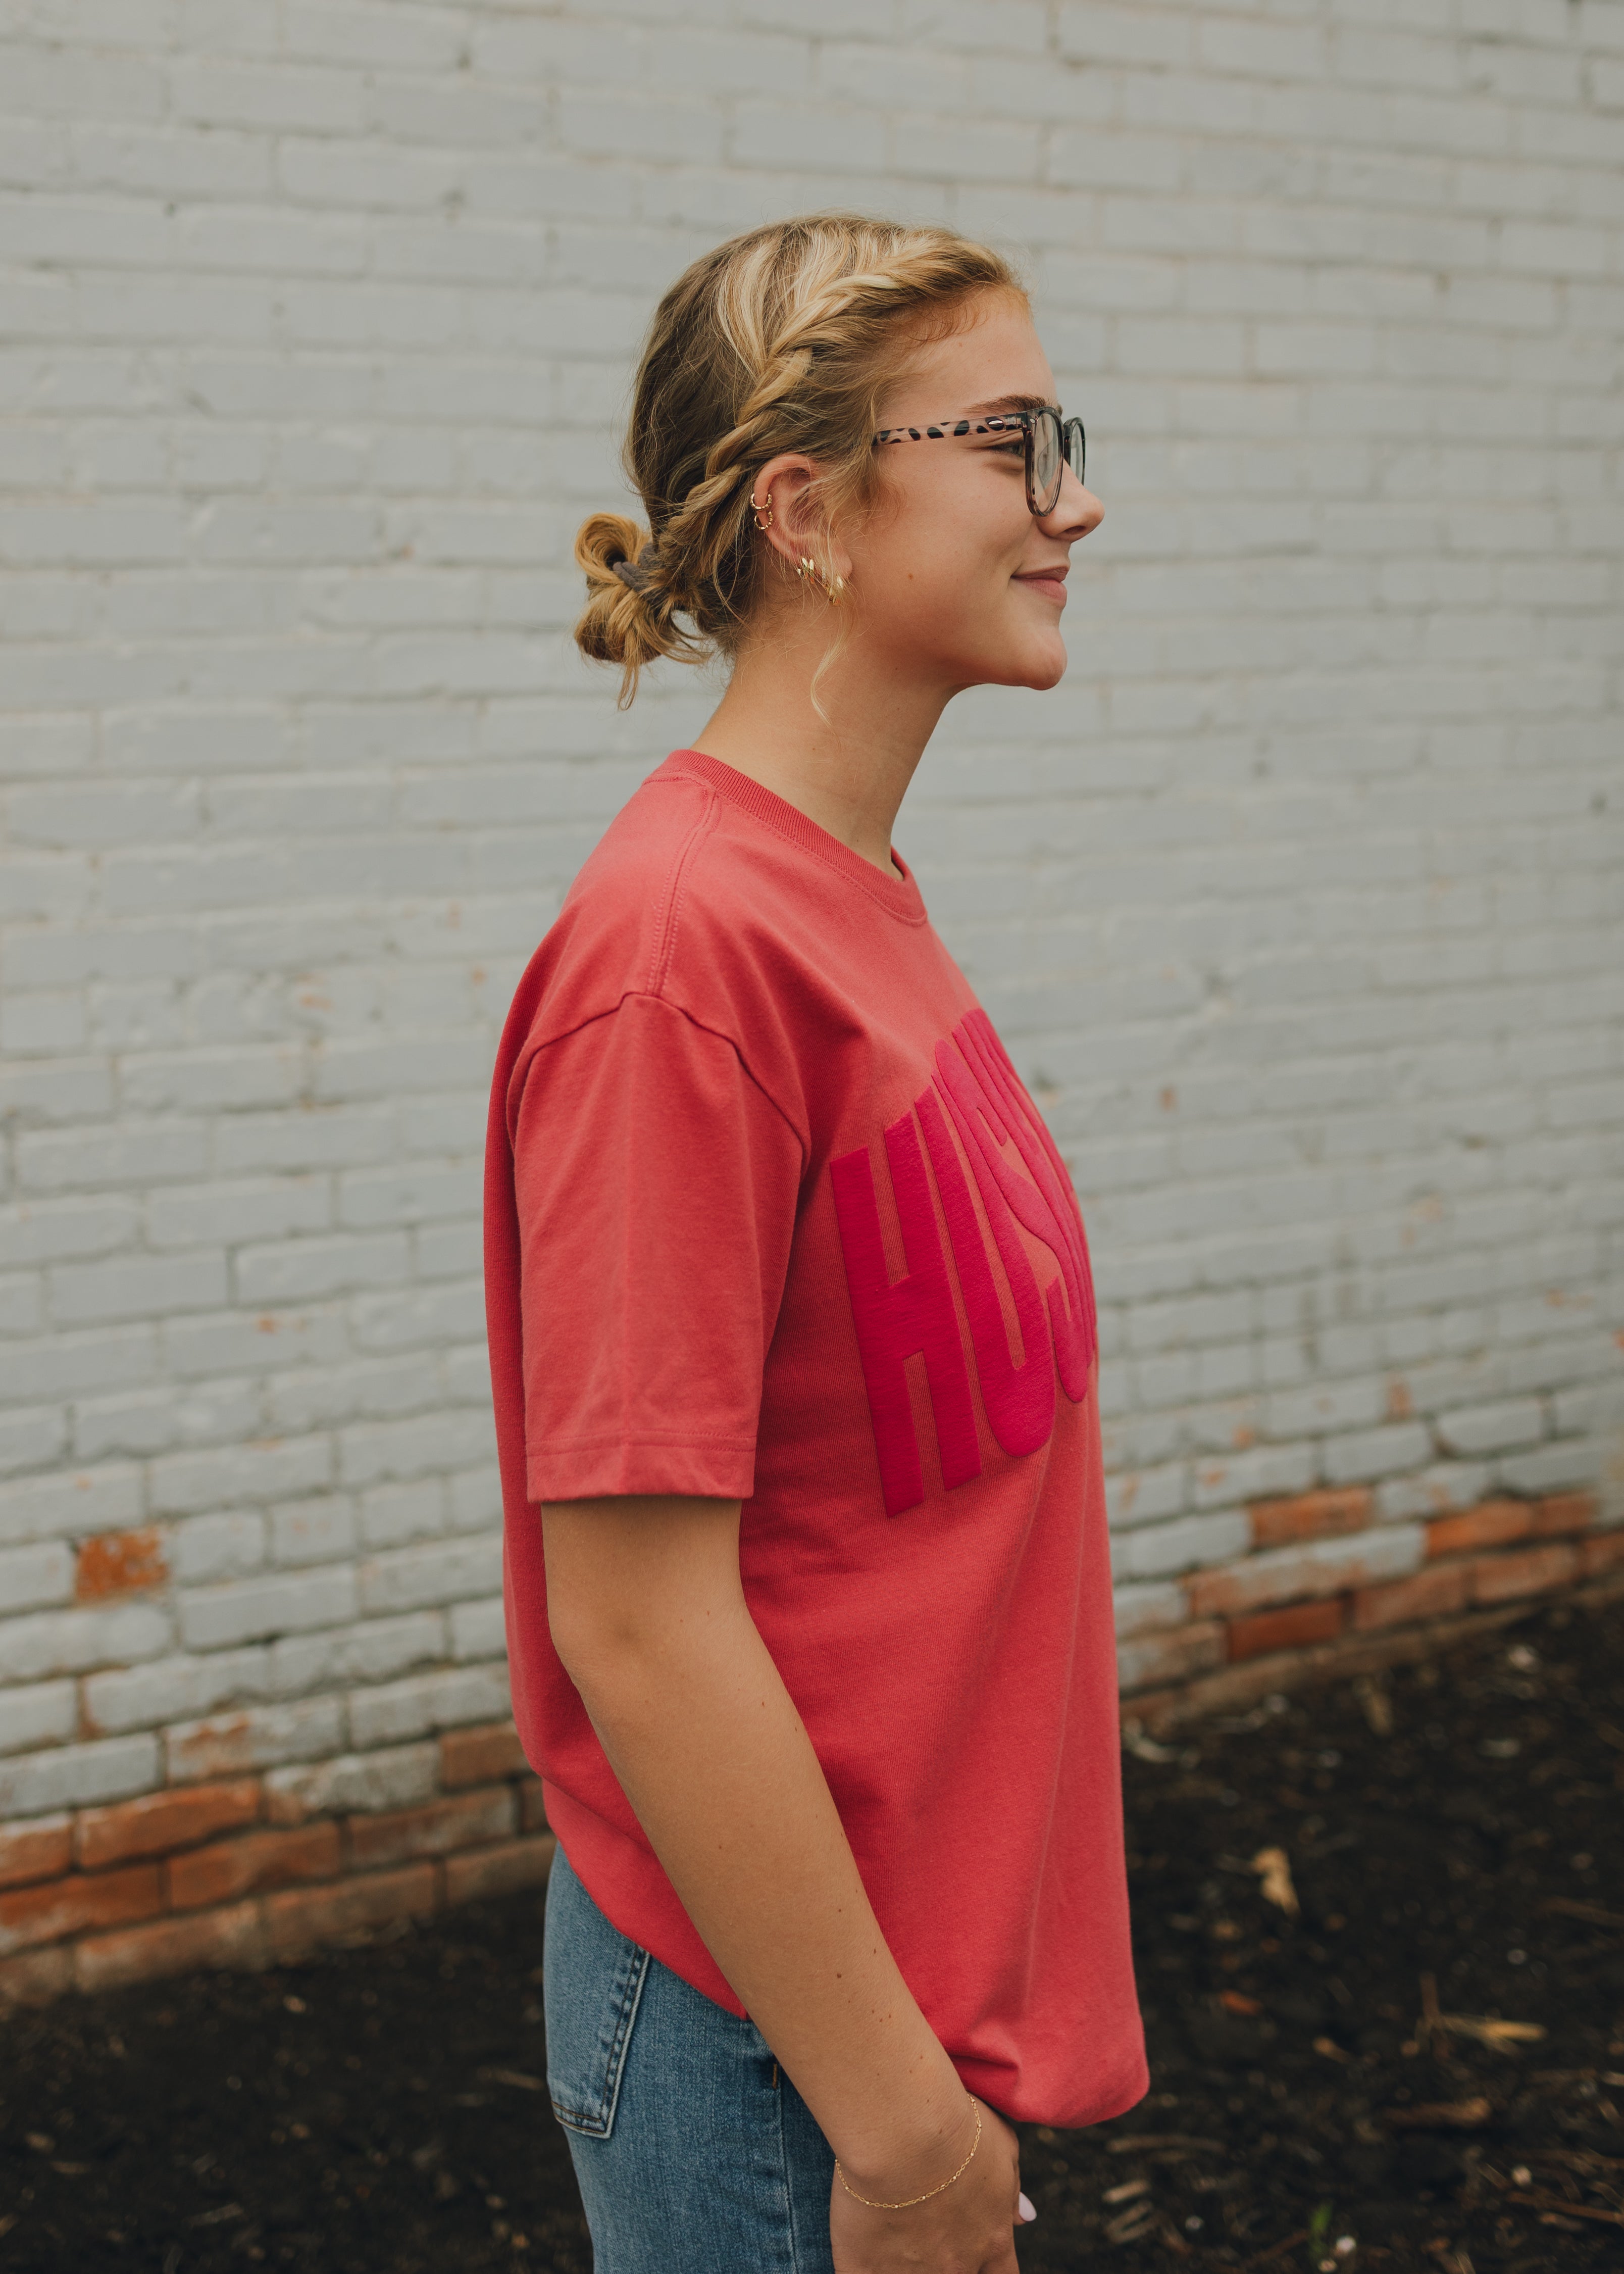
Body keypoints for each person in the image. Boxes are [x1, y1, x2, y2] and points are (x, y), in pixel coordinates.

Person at [483, 212, 1147, 2274]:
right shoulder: (682, 963)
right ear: (808, 508)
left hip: (870, 2008)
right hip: (767, 2042)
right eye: (1015, 441)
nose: (1079, 497)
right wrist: (908, 2138)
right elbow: (640, 1621)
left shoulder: (835, 886)